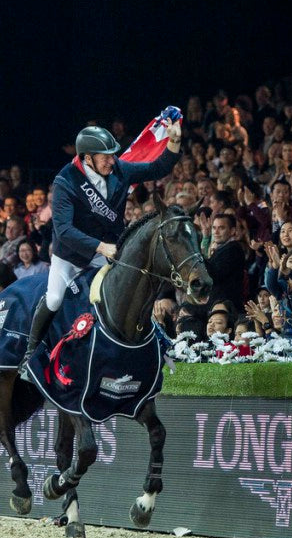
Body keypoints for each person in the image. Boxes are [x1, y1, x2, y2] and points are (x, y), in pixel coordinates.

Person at [20, 123, 182, 373]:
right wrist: (99, 247)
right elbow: (63, 230)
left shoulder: (120, 170)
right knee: (54, 299)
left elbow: (156, 167)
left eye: (112, 154)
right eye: (105, 156)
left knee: (126, 291)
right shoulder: (66, 180)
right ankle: (30, 355)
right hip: (71, 256)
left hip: (107, 251)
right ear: (87, 158)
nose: (111, 161)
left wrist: (173, 143)